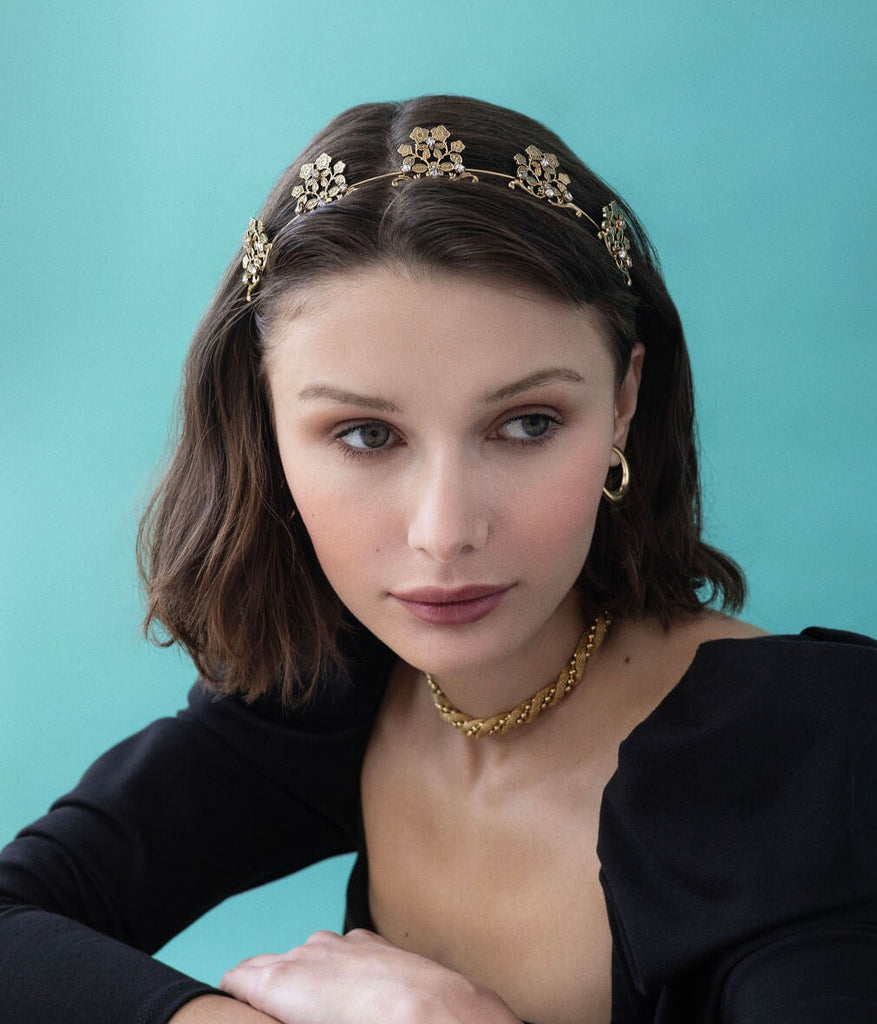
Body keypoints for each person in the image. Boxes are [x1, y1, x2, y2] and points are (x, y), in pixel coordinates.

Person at [1, 95, 875, 1024]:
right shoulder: (334, 691)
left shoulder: (815, 756)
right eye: (366, 434)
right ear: (265, 430)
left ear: (623, 402)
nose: (444, 531)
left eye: (526, 424)